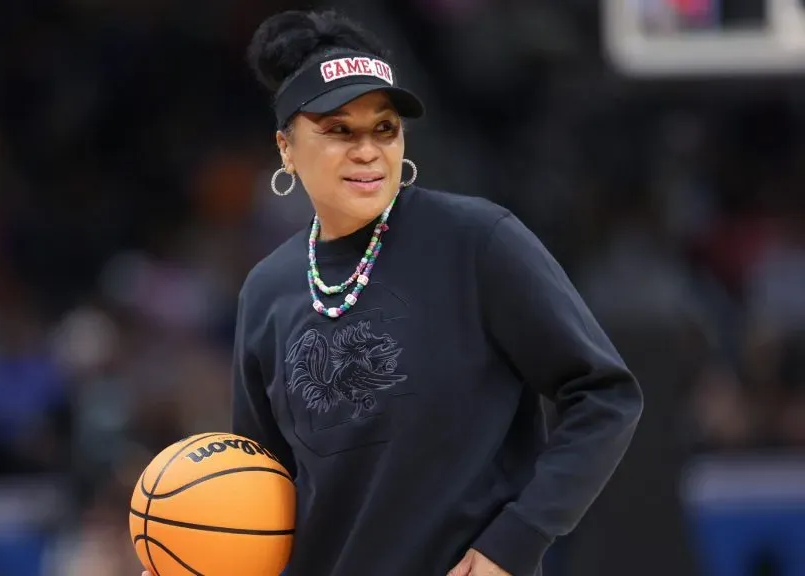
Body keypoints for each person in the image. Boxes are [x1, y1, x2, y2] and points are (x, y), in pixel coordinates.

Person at [144, 9, 643, 576]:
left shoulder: (476, 241)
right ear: (286, 148)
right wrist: (198, 557)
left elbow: (606, 396)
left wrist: (519, 538)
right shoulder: (266, 290)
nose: (367, 149)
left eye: (384, 127)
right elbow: (262, 488)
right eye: (338, 130)